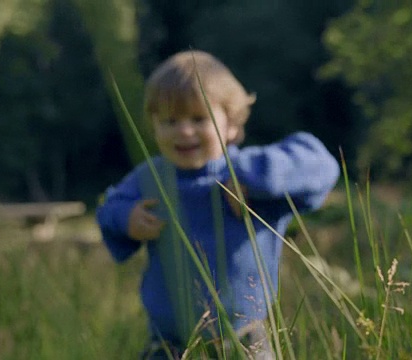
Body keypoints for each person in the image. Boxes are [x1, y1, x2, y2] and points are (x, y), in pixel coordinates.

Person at [96, 50, 340, 359]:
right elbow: (108, 209)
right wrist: (125, 217)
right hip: (168, 344)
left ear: (232, 125)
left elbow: (322, 166)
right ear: (153, 125)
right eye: (170, 121)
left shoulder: (247, 175)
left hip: (244, 339)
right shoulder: (152, 177)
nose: (184, 131)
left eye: (199, 118)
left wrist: (255, 178)